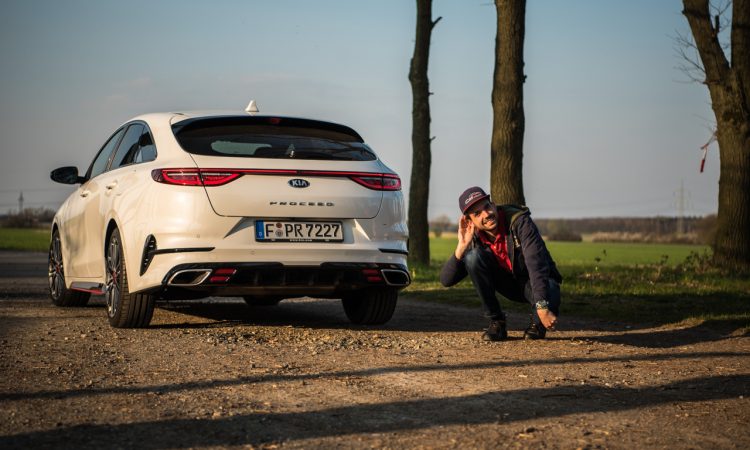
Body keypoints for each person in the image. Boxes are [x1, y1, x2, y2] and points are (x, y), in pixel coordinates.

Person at [440, 186, 562, 341]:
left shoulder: (520, 222)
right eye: (477, 214)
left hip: (535, 283)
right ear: (470, 221)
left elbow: (536, 265)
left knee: (550, 289)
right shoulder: (475, 237)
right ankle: (497, 321)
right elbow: (446, 280)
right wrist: (462, 246)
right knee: (472, 258)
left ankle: (538, 324)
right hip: (507, 285)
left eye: (487, 206)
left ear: (493, 204)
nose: (486, 214)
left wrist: (542, 307)